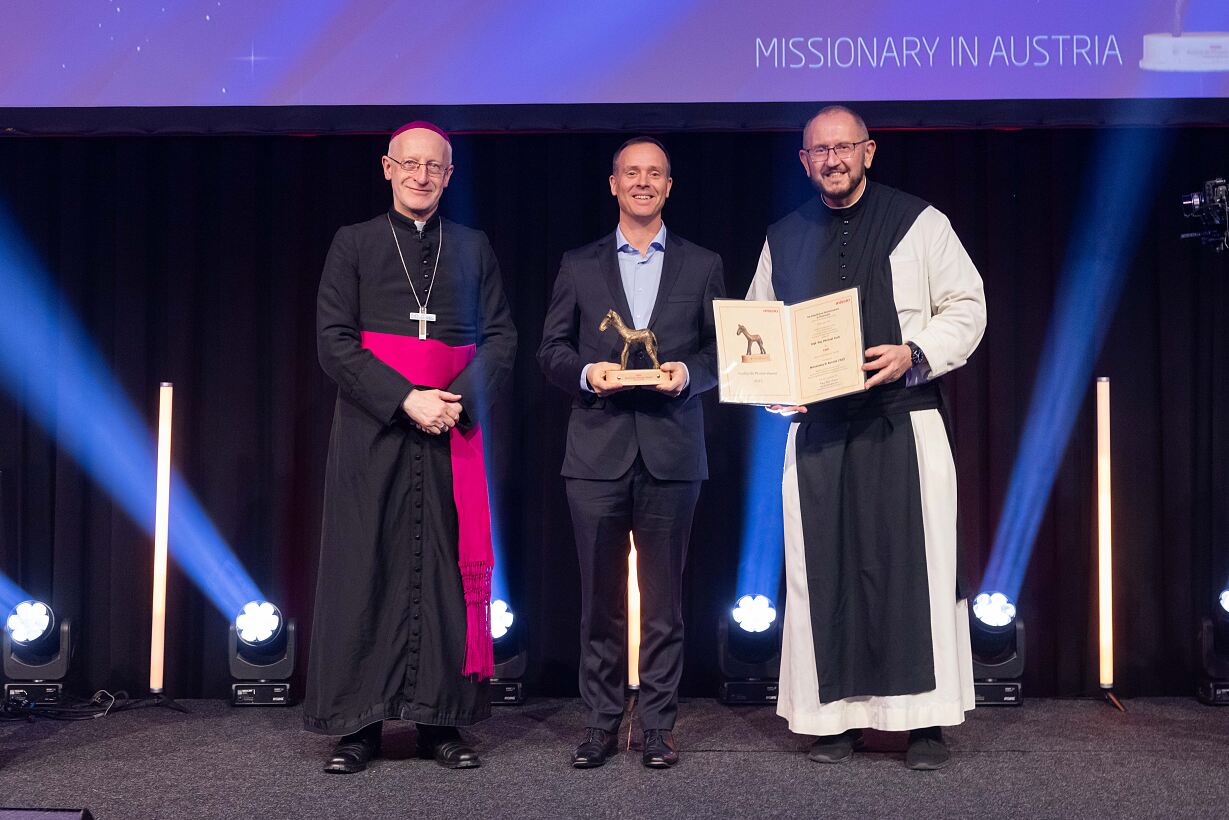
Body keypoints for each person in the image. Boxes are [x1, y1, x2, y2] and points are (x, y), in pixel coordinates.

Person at [745, 106, 986, 770]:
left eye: (843, 147)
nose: (831, 160)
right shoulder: (784, 236)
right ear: (804, 161)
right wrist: (772, 383)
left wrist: (914, 350)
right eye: (818, 151)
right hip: (820, 432)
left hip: (903, 423)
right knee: (822, 575)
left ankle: (927, 722)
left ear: (868, 151)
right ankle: (831, 720)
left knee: (918, 571)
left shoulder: (919, 222)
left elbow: (966, 305)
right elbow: (759, 330)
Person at [305, 121, 516, 774]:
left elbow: (502, 336)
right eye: (410, 164)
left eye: (435, 167)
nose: (422, 175)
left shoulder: (473, 247)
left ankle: (439, 722)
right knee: (363, 565)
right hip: (374, 433)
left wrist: (454, 400)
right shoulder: (355, 243)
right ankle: (357, 727)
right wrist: (405, 398)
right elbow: (333, 339)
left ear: (449, 176)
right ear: (388, 168)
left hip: (451, 430)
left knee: (445, 572)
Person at [538, 136, 724, 769]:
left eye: (655, 174)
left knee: (665, 602)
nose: (643, 182)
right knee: (600, 601)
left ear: (668, 187)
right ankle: (599, 724)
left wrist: (689, 375)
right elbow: (552, 350)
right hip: (596, 454)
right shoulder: (578, 264)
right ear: (613, 184)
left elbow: (720, 351)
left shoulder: (702, 264)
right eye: (631, 173)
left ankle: (658, 729)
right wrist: (590, 374)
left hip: (672, 453)